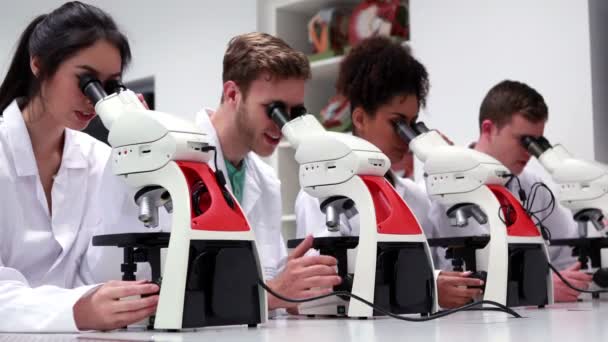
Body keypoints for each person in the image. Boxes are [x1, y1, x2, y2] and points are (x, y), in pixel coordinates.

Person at [0, 2, 159, 332]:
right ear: (39, 65)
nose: (96, 99)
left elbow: (115, 273)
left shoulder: (99, 159)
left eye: (110, 85)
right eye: (86, 81)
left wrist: (139, 164)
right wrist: (76, 310)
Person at [295, 36, 484, 309]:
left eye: (412, 124)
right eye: (397, 123)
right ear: (359, 119)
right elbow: (327, 287)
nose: (406, 137)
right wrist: (425, 287)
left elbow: (448, 264)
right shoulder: (320, 195)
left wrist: (452, 183)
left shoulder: (416, 197)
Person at [194, 32, 342, 311]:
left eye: (293, 112)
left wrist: (296, 293)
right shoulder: (177, 164)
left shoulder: (267, 182)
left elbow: (269, 283)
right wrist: (274, 293)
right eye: (273, 110)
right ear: (233, 94)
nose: (283, 125)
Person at [427, 80, 592, 302]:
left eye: (535, 142)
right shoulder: (435, 190)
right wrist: (538, 285)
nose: (530, 152)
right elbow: (428, 280)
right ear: (488, 129)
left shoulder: (534, 189)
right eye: (522, 140)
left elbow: (569, 261)